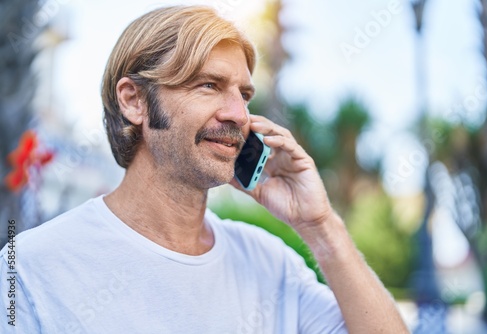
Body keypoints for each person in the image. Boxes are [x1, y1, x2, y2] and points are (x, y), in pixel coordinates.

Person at [1, 5, 409, 333]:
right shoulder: (28, 270)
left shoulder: (272, 264)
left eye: (244, 94)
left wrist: (321, 227)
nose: (238, 114)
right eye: (208, 85)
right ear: (134, 101)